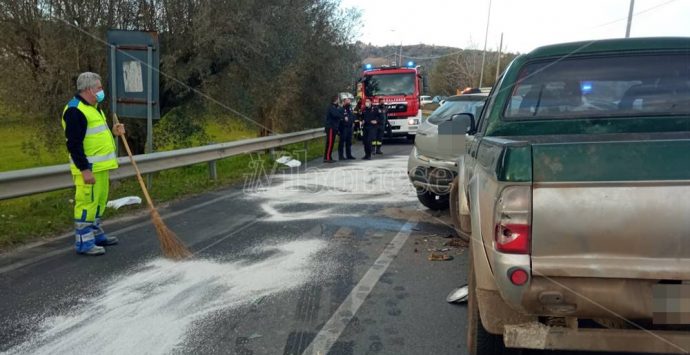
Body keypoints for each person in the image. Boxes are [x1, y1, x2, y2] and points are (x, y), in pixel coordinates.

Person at [62, 72, 124, 256]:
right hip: (88, 168)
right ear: (89, 89)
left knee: (99, 202)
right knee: (86, 203)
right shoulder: (75, 110)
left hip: (101, 167)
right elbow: (74, 144)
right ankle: (84, 242)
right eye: (99, 88)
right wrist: (84, 169)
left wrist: (114, 132)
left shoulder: (95, 107)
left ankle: (96, 234)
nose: (101, 91)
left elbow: (95, 137)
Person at [323, 95, 342, 163]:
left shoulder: (335, 107)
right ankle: (327, 157)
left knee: (331, 143)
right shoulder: (331, 107)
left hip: (333, 127)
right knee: (330, 143)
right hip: (331, 127)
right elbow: (337, 115)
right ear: (336, 100)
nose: (339, 101)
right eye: (339, 99)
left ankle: (328, 156)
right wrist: (340, 111)